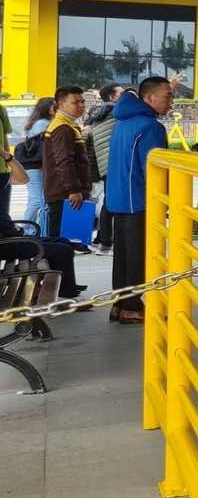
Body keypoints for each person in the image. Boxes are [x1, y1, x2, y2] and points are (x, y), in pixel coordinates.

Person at [104, 78, 172, 324]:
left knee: (122, 257)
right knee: (138, 257)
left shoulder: (122, 122)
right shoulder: (150, 126)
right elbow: (154, 169)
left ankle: (120, 305)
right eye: (167, 96)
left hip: (119, 199)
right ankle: (132, 307)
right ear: (149, 98)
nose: (171, 102)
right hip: (139, 200)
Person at [41, 86, 92, 243]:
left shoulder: (66, 124)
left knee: (66, 243)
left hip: (63, 193)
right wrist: (74, 189)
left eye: (82, 101)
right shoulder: (63, 128)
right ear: (61, 104)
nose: (81, 105)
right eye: (75, 102)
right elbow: (64, 161)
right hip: (65, 195)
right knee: (61, 244)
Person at [87, 82, 126, 253]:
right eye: (122, 94)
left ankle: (102, 240)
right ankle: (106, 242)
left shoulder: (100, 115)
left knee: (108, 202)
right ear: (112, 97)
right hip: (115, 163)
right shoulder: (116, 112)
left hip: (104, 164)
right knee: (112, 203)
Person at [15, 97, 53, 227]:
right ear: (47, 109)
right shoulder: (42, 124)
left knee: (36, 199)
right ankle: (25, 228)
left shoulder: (37, 122)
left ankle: (31, 229)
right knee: (37, 199)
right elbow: (44, 146)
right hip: (35, 166)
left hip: (32, 166)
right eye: (54, 106)